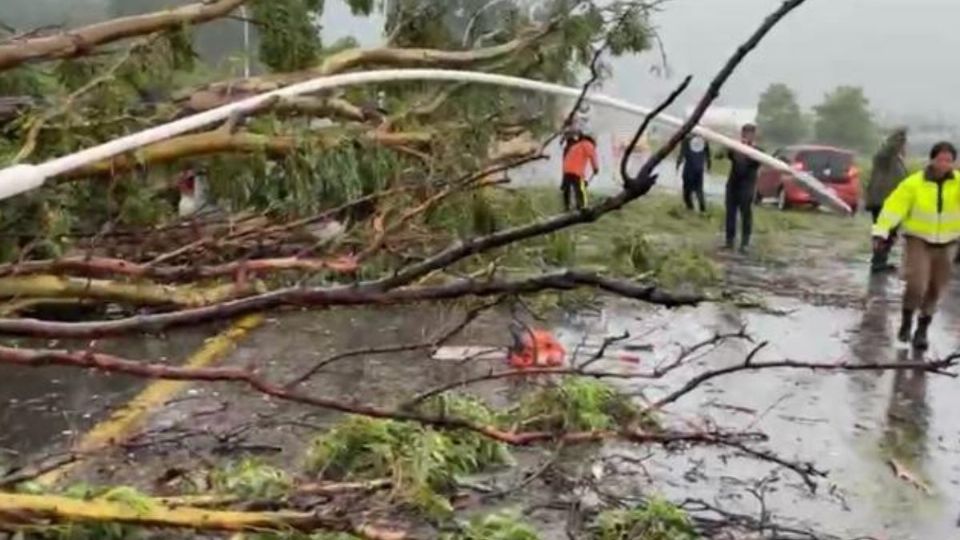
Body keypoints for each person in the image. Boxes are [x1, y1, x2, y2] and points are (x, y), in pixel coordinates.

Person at [872, 141, 960, 350]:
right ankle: (906, 320)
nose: (944, 164)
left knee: (936, 288)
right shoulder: (914, 184)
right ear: (932, 159)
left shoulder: (958, 184)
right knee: (916, 285)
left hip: (947, 243)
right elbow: (893, 208)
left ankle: (922, 329)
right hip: (918, 240)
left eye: (949, 161)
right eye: (940, 159)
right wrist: (880, 232)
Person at [866, 128, 908, 273]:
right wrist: (898, 137)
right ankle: (878, 263)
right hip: (882, 201)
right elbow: (888, 149)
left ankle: (881, 260)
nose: (904, 147)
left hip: (892, 202)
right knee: (884, 232)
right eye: (902, 144)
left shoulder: (897, 160)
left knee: (890, 234)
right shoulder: (884, 158)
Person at [718, 124, 763, 252]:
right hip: (733, 185)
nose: (747, 136)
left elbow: (759, 162)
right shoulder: (735, 148)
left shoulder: (758, 150)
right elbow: (719, 155)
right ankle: (729, 241)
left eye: (750, 134)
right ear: (742, 134)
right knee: (730, 214)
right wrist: (728, 146)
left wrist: (749, 150)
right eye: (745, 133)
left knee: (746, 214)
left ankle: (745, 243)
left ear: (753, 135)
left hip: (747, 186)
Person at [561, 130, 599, 211]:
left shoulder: (576, 145)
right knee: (580, 190)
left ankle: (567, 206)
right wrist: (595, 168)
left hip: (566, 170)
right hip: (576, 172)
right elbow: (593, 157)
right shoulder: (588, 145)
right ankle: (582, 207)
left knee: (567, 190)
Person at [676, 133, 712, 212]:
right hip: (699, 168)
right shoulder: (704, 140)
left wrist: (677, 165)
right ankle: (702, 209)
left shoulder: (687, 139)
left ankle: (690, 207)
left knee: (687, 190)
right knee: (699, 189)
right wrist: (709, 166)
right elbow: (708, 155)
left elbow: (682, 153)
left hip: (689, 168)